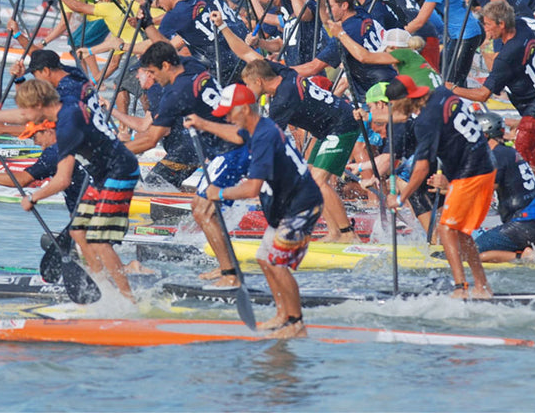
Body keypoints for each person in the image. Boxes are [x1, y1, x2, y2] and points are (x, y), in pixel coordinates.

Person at [0, 79, 140, 300]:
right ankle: (103, 290)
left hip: (119, 171)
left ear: (38, 105)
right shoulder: (66, 102)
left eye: (27, 112)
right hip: (100, 176)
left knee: (98, 239)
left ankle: (128, 301)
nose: (25, 119)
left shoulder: (67, 128)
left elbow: (62, 180)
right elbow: (22, 115)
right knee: (78, 232)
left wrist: (34, 197)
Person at [185, 84, 323, 339]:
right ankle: (282, 315)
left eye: (230, 112)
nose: (226, 116)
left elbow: (252, 189)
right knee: (263, 259)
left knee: (277, 263)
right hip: (285, 205)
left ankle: (297, 323)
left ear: (245, 109)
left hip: (300, 206)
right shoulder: (256, 127)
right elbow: (236, 134)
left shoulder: (264, 136)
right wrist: (203, 124)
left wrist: (220, 193)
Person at [129, 42, 250, 288]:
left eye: (152, 72)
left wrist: (113, 151)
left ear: (165, 66)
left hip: (231, 149)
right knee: (200, 207)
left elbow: (151, 139)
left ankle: (230, 273)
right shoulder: (190, 64)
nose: (151, 78)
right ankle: (226, 266)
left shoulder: (175, 94)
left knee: (203, 211)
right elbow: (165, 43)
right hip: (229, 144)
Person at [384, 75, 495, 299]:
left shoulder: (425, 121)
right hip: (485, 164)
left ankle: (460, 288)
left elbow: (422, 168)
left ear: (405, 100)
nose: (392, 111)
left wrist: (400, 197)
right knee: (460, 232)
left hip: (470, 173)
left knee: (446, 229)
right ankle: (482, 286)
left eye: (394, 106)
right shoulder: (442, 94)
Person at [239, 58, 363, 242]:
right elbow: (249, 55)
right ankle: (334, 232)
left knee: (319, 181)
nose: (247, 90)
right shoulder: (285, 73)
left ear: (259, 82)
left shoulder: (282, 102)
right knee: (313, 180)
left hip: (343, 125)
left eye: (248, 85)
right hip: (328, 128)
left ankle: (348, 234)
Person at [447, 0, 535, 197]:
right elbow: (506, 5)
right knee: (531, 164)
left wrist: (453, 88)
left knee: (516, 163)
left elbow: (483, 95)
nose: (485, 29)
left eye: (488, 24)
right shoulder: (522, 25)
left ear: (501, 24)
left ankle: (524, 208)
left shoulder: (507, 57)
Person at [472, 112, 535, 264]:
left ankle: (522, 256)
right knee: (519, 238)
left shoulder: (496, 156)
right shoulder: (511, 152)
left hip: (521, 227)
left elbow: (483, 189)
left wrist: (447, 187)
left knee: (472, 252)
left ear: (485, 135)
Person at [143, 0, 247, 86]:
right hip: (237, 51)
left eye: (158, 0)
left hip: (221, 66)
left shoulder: (173, 16)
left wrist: (124, 45)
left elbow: (159, 44)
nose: (158, 5)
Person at [403, 0, 483, 85]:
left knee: (451, 83)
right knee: (447, 76)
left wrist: (398, 34)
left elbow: (419, 22)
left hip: (465, 35)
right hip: (467, 32)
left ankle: (461, 104)